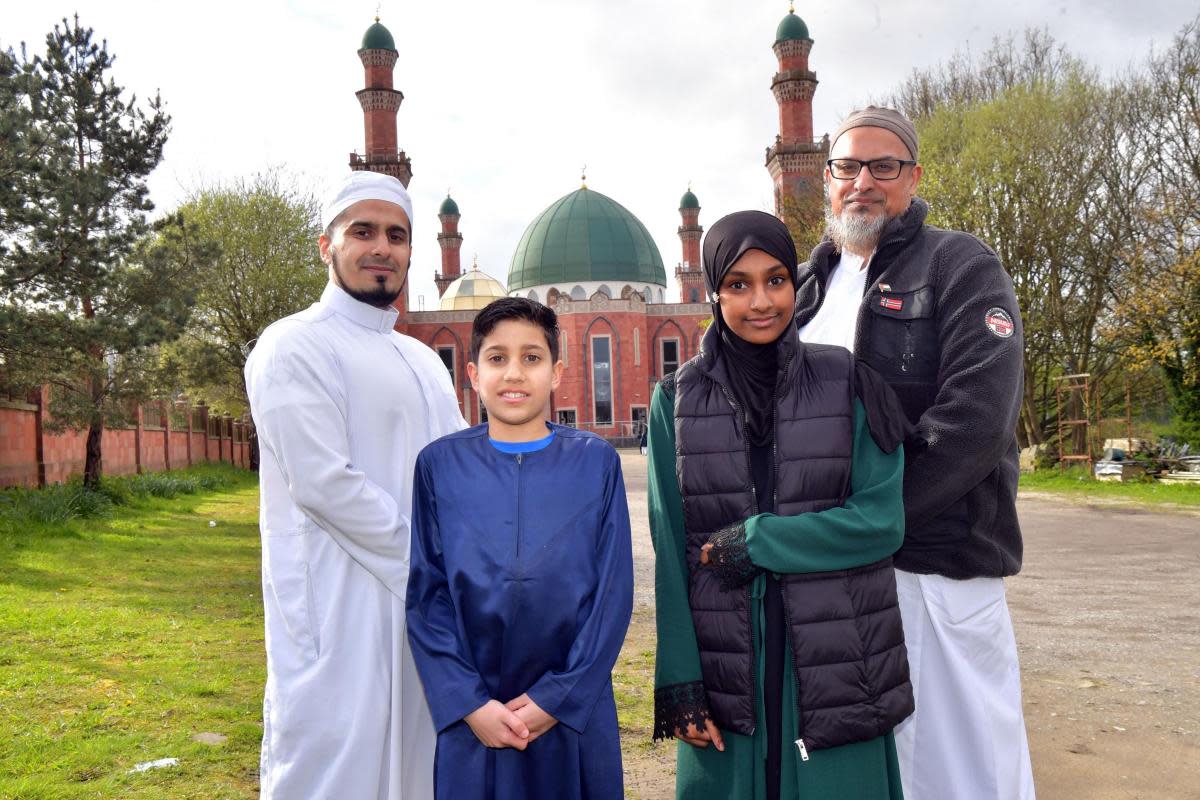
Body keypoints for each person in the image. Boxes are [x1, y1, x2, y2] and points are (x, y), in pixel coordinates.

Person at [795, 106, 1036, 799]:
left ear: (914, 176)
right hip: (831, 578)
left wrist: (873, 521)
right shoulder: (808, 287)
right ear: (828, 180)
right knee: (865, 771)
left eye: (884, 166)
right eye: (847, 167)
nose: (863, 181)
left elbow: (975, 423)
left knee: (961, 770)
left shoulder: (959, 264)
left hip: (935, 569)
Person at [649, 210, 916, 800]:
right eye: (738, 285)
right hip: (729, 668)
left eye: (776, 279)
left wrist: (761, 541)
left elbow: (880, 522)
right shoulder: (676, 400)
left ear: (795, 285)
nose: (761, 301)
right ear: (714, 292)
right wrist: (682, 683)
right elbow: (672, 552)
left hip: (835, 660)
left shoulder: (846, 380)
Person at [245, 170, 466, 799]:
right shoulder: (294, 346)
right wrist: (432, 569)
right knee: (336, 769)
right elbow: (325, 484)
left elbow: (454, 474)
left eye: (396, 235)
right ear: (327, 244)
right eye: (362, 231)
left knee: (420, 765)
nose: (381, 248)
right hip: (339, 608)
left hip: (425, 612)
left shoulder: (424, 361)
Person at [406, 297, 634, 800]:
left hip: (572, 712)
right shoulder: (439, 467)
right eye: (497, 358)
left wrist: (558, 698)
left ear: (556, 373)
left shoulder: (594, 463)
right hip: (476, 713)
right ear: (472, 373)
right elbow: (428, 597)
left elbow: (611, 594)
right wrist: (469, 704)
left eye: (531, 358)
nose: (514, 373)